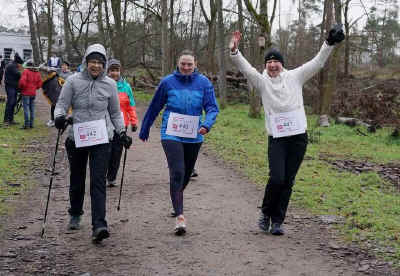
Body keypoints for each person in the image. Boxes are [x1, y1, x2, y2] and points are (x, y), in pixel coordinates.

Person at [229, 26, 345, 235]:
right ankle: (265, 213)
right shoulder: (262, 82)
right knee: (277, 178)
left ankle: (278, 221)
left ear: (282, 64)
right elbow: (246, 69)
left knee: (288, 181)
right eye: (269, 62)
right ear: (266, 65)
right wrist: (235, 52)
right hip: (277, 138)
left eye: (276, 62)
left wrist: (329, 43)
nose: (273, 65)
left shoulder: (295, 77)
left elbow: (317, 62)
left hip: (298, 138)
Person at [54, 43, 132, 243]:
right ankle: (75, 212)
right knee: (77, 178)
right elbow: (61, 105)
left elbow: (115, 112)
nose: (95, 65)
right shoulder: (73, 81)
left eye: (99, 62)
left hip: (101, 137)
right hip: (77, 135)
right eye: (92, 61)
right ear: (86, 62)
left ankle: (99, 224)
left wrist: (122, 132)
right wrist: (60, 118)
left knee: (98, 180)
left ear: (104, 64)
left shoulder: (110, 85)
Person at [139, 49, 219, 236]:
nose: (186, 67)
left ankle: (177, 198)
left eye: (189, 64)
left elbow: (212, 108)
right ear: (178, 64)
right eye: (183, 64)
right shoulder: (167, 82)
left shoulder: (203, 83)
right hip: (171, 133)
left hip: (194, 134)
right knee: (177, 172)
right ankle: (180, 217)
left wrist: (207, 125)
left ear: (195, 65)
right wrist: (145, 128)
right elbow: (155, 106)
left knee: (186, 174)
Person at [106, 58, 138, 187]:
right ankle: (101, 175)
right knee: (105, 152)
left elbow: (131, 105)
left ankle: (112, 177)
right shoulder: (103, 84)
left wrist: (134, 121)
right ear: (107, 71)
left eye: (117, 70)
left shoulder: (126, 86)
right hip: (105, 124)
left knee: (117, 152)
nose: (114, 73)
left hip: (121, 124)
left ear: (120, 71)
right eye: (112, 70)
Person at [18, 60, 42, 129]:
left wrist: (20, 88)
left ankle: (26, 125)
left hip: (25, 93)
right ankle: (31, 124)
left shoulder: (26, 71)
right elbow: (40, 84)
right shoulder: (37, 73)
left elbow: (22, 82)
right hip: (33, 93)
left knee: (26, 109)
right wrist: (35, 88)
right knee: (32, 109)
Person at [3, 53, 23, 126]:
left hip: (13, 86)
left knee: (13, 103)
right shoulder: (12, 66)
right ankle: (6, 120)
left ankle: (11, 120)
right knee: (10, 103)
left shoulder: (13, 65)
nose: (20, 66)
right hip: (10, 86)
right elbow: (19, 75)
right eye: (20, 64)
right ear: (18, 63)